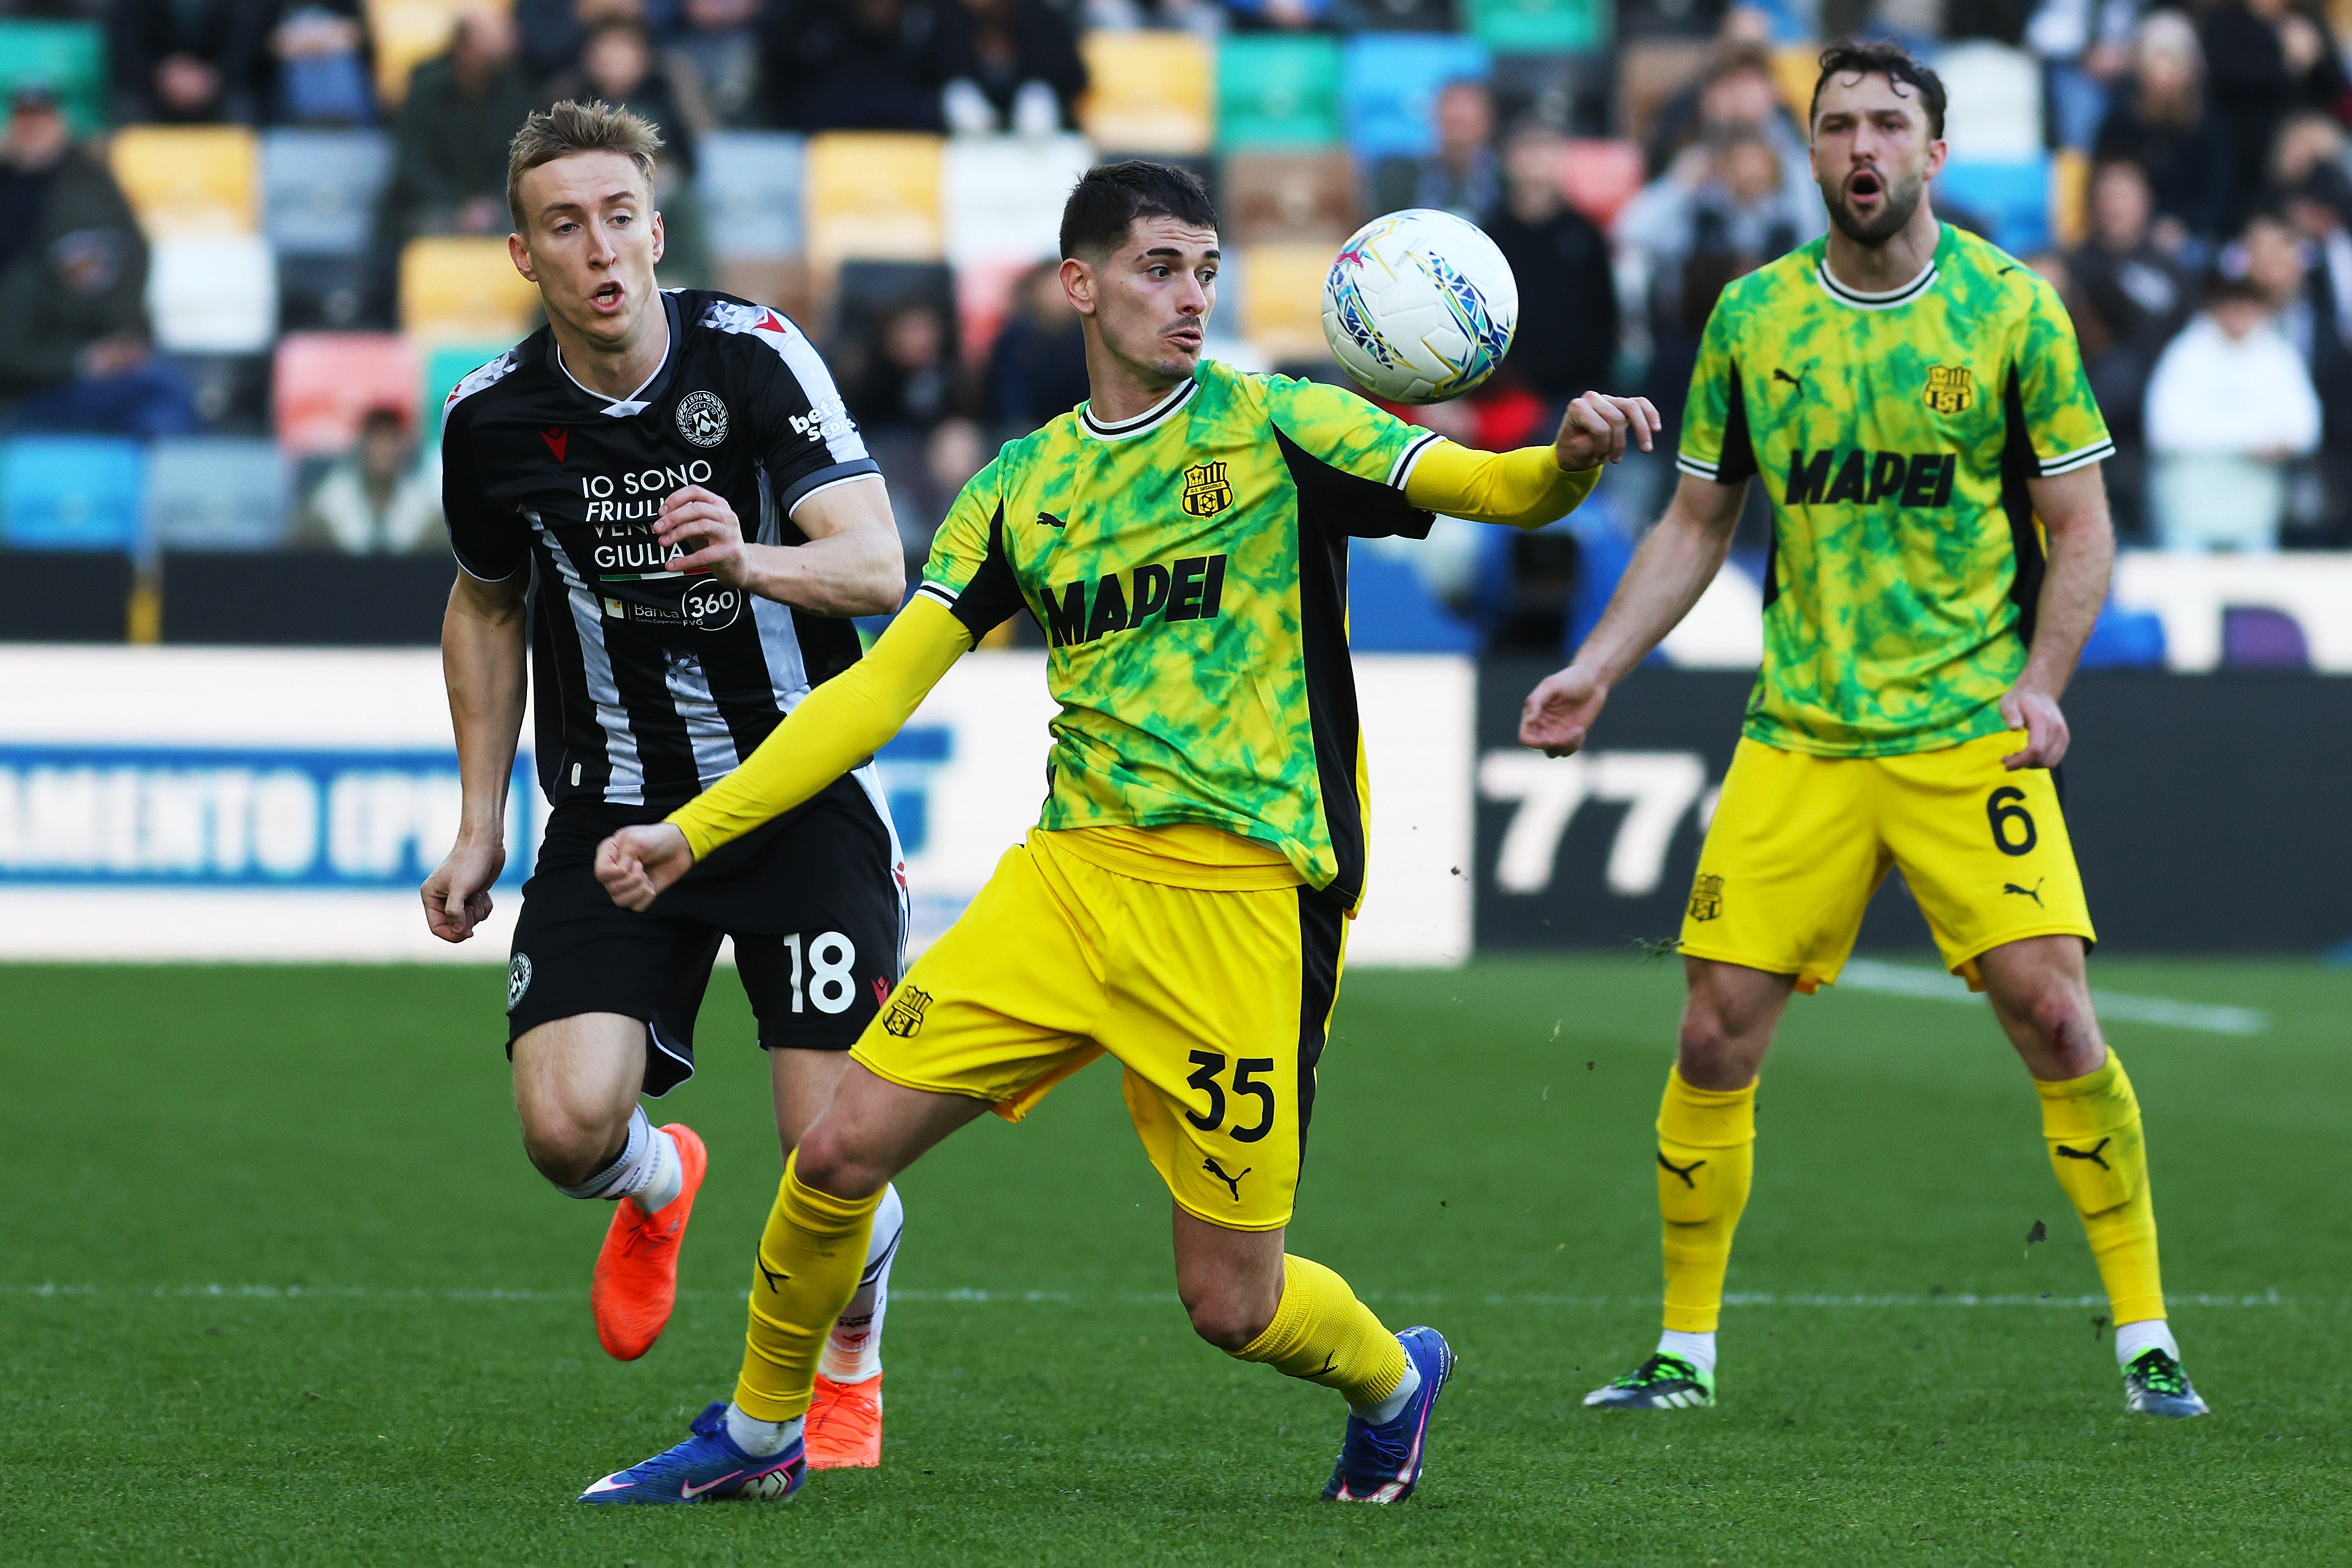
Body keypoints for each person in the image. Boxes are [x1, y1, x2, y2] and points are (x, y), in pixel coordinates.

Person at [579, 158, 1663, 1505]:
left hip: (1241, 901)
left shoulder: (1282, 424)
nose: (1191, 295)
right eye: (1160, 268)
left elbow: (1489, 490)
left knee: (1230, 1300)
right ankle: (756, 1433)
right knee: (835, 1150)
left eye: (1206, 269)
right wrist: (694, 828)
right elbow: (873, 687)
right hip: (1070, 883)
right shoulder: (1020, 488)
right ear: (1079, 285)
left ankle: (1394, 1379)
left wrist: (1562, 461)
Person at [1521, 40, 2210, 1421]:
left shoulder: (2011, 312)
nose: (1859, 148)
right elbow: (1695, 524)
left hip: (1964, 730)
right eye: (1835, 124)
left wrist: (2043, 679)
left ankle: (2145, 1334)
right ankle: (1682, 1352)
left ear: (1933, 152)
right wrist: (1595, 663)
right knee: (1711, 1032)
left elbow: (2078, 530)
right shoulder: (1752, 320)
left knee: (2056, 1014)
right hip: (1804, 735)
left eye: (1886, 124)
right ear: (1812, 150)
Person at [421, 100, 915, 1475]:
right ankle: (657, 1177)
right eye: (564, 224)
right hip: (614, 807)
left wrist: (748, 559)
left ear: (657, 228)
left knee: (834, 1154)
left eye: (619, 216)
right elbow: (483, 603)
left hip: (793, 791)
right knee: (561, 1125)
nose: (600, 248)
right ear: (524, 254)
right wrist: (479, 821)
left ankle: (849, 1355)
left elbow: (878, 564)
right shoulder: (489, 419)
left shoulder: (754, 356)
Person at [0, 84, 198, 437]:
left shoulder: (90, 185)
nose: (33, 133)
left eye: (42, 120)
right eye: (24, 122)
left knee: (159, 401)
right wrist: (83, 360)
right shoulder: (19, 214)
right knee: (160, 393)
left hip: (76, 365)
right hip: (29, 384)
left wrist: (118, 348)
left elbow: (124, 265)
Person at [2144, 269, 2321, 548]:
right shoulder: (2185, 353)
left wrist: (2273, 444)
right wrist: (2250, 439)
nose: (2237, 313)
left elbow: (2305, 428)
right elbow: (2164, 431)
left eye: (2246, 305)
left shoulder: (2278, 355)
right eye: (2229, 304)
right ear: (2214, 308)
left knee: (2259, 584)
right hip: (2192, 506)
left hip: (2255, 509)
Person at [1483, 118, 1621, 406]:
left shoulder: (1585, 235)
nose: (1537, 159)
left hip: (1576, 394)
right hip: (1504, 398)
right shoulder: (1488, 236)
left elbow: (1604, 315)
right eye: (1527, 148)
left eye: (1546, 148)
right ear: (1507, 159)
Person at [380, 9, 537, 247]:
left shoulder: (515, 90)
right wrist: (460, 206)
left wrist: (489, 204)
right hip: (433, 205)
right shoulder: (425, 89)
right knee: (424, 227)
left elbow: (521, 160)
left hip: (496, 207)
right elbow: (414, 166)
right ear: (465, 47)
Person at [2092, 9, 2234, 253]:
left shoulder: (2207, 126)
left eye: (2170, 60)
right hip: (2128, 231)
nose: (2160, 72)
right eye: (2153, 60)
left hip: (2191, 234)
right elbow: (2105, 179)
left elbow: (2218, 193)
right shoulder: (2121, 122)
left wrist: (2185, 225)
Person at [294, 406, 444, 552]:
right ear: (362, 444)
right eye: (377, 439)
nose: (385, 449)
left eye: (392, 439)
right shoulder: (330, 498)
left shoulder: (423, 501)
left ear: (404, 447)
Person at [1367, 78, 1501, 222]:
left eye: (1465, 123)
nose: (1458, 114)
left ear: (1488, 121)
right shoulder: (1398, 176)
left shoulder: (1506, 180)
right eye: (1452, 123)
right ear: (1433, 117)